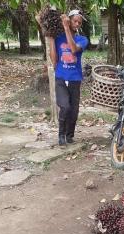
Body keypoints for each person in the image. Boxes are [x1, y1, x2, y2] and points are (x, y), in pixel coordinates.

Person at [49, 10, 89, 145]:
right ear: (69, 20)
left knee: (74, 110)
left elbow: (73, 49)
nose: (77, 24)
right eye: (74, 21)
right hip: (60, 77)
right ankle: (61, 135)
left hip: (75, 79)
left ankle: (69, 135)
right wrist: (51, 39)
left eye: (79, 22)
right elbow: (54, 60)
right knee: (65, 107)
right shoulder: (59, 38)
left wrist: (66, 28)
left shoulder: (82, 40)